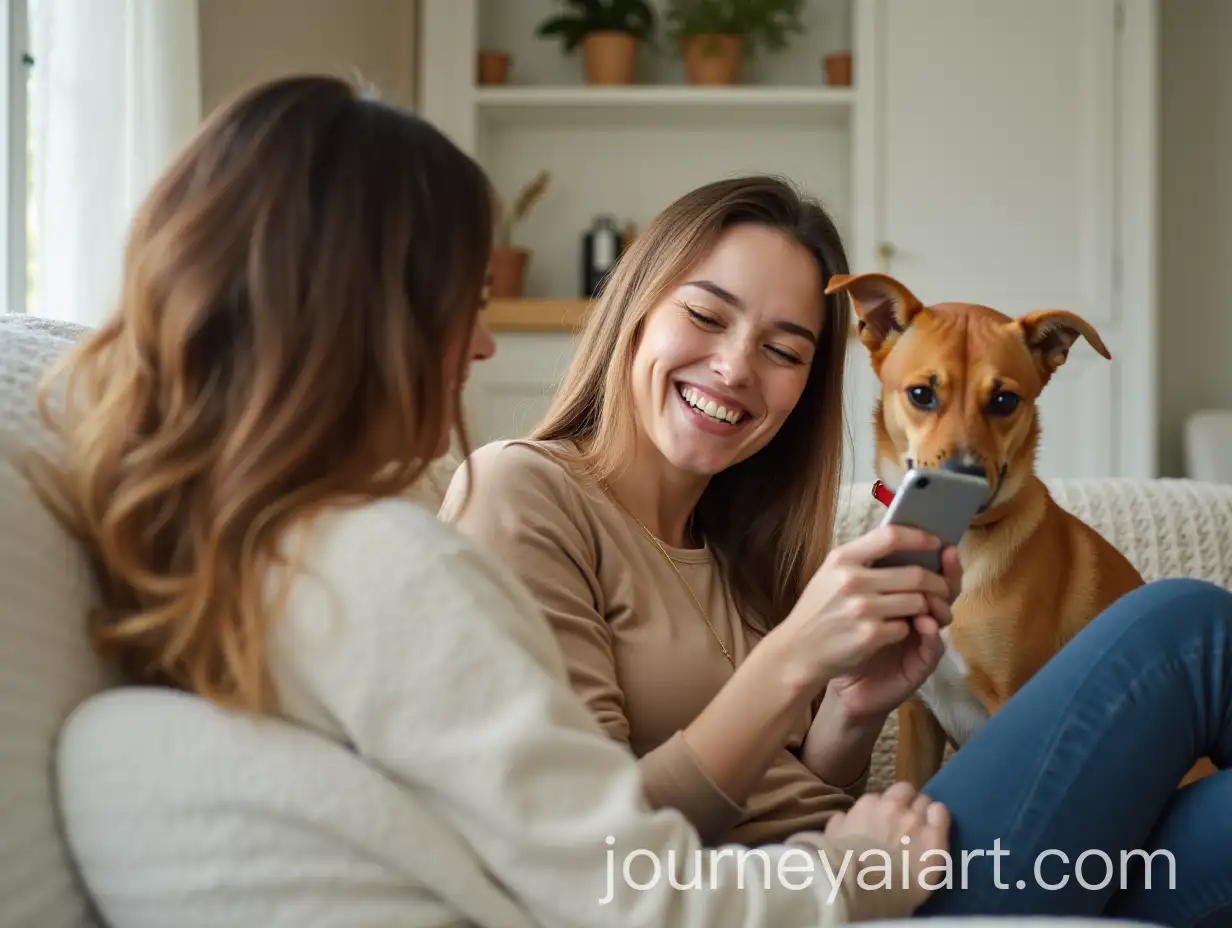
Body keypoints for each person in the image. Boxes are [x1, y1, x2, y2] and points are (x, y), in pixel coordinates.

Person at [26, 75, 955, 927]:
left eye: (787, 350)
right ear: (369, 314)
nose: (483, 348)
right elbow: (621, 877)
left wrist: (847, 712)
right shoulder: (392, 563)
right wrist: (846, 878)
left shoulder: (289, 564)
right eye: (464, 303)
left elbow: (647, 839)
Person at [439, 174, 1232, 925]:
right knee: (1186, 630)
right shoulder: (520, 492)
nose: (736, 367)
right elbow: (589, 852)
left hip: (885, 871)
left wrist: (853, 709)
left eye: (784, 351)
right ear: (635, 307)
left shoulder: (750, 537)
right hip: (826, 903)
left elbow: (797, 795)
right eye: (708, 316)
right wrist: (791, 663)